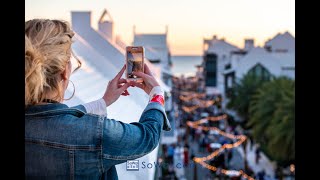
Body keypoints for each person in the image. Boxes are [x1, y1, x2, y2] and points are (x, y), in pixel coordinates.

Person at [25, 19, 171, 179]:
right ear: (64, 72)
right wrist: (156, 93)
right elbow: (148, 136)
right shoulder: (96, 133)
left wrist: (103, 102)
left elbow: (57, 121)